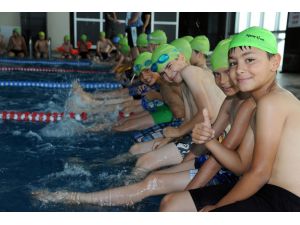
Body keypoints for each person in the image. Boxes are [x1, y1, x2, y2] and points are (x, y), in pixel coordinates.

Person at [31, 38, 252, 206]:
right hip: (213, 155)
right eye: (219, 74)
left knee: (150, 175)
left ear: (184, 57)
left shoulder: (192, 74)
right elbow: (212, 129)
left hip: (223, 166)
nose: (221, 80)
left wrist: (176, 133)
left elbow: (203, 116)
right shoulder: (220, 96)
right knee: (149, 172)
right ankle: (99, 194)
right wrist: (182, 142)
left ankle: (79, 196)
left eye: (227, 72)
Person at [160, 26, 300, 212]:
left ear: (274, 62)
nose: (239, 70)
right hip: (266, 190)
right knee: (171, 203)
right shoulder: (258, 103)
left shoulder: (272, 103)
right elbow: (242, 165)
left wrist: (217, 207)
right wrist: (209, 141)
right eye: (233, 63)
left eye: (250, 60)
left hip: (286, 201)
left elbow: (259, 174)